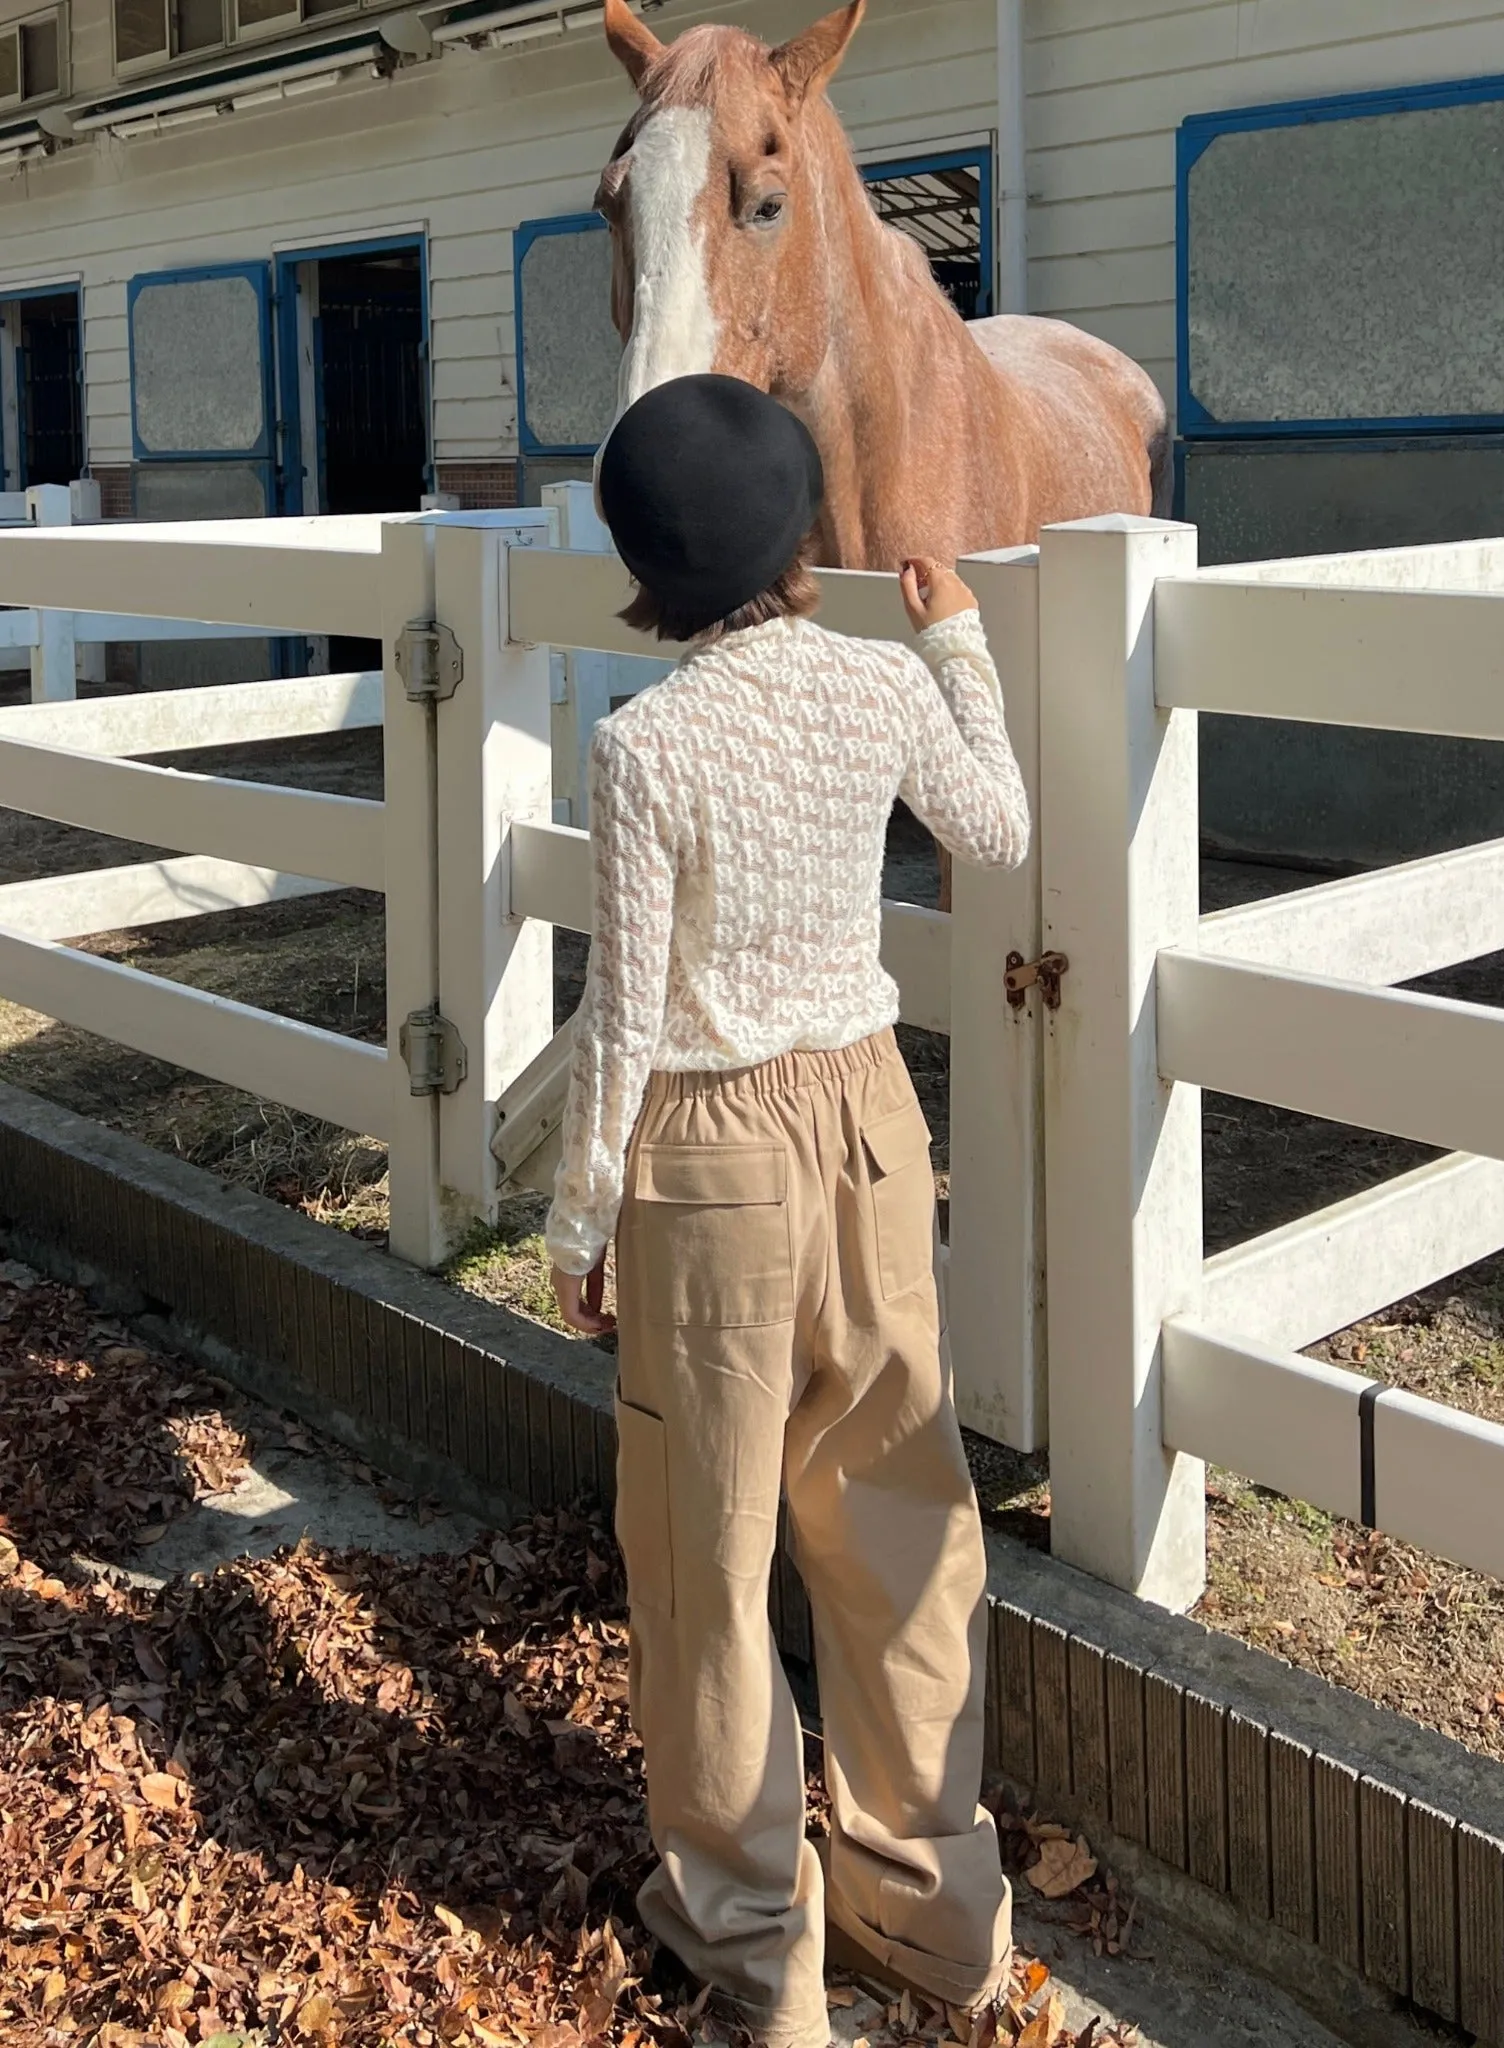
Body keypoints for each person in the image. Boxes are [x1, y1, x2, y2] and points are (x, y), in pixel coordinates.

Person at [546, 373, 1031, 2048]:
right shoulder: (882, 688)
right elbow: (1000, 824)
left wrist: (578, 1224)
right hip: (875, 1121)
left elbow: (625, 1015)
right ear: (802, 540)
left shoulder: (644, 742)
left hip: (711, 1154)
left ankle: (754, 1938)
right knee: (901, 1507)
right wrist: (958, 636)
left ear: (642, 569)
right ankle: (932, 1909)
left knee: (708, 1538)